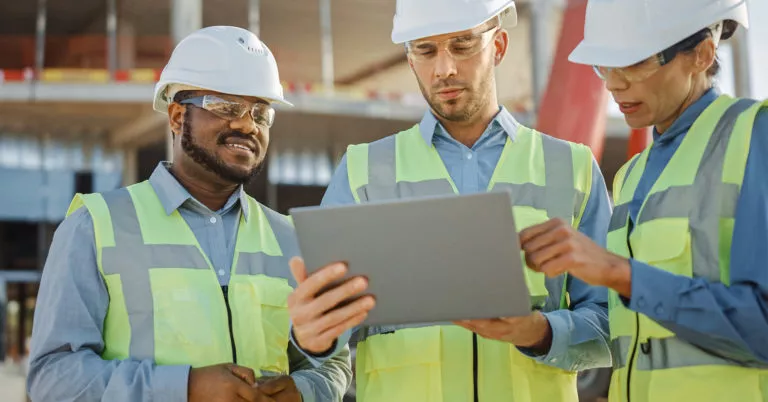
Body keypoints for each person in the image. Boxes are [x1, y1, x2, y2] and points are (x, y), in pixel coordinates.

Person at [285, 1, 614, 401]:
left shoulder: (572, 167)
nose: (444, 69)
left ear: (499, 46)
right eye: (425, 50)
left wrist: (540, 332)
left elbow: (611, 324)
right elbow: (328, 336)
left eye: (462, 45)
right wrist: (313, 336)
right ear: (410, 59)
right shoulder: (362, 172)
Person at [26, 26, 351, 402]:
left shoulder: (292, 239)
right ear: (178, 116)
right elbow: (54, 376)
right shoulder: (95, 227)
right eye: (226, 107)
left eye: (261, 113)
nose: (247, 125)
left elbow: (332, 362)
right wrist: (184, 388)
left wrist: (304, 391)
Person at [517, 0, 768, 401]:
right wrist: (532, 330)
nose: (614, 83)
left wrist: (620, 273)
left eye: (635, 63)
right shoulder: (632, 176)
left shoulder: (754, 138)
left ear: (702, 54)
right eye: (604, 64)